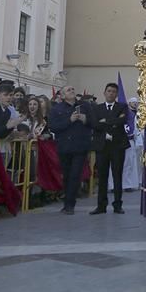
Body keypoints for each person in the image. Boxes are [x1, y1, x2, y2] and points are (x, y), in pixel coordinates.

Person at [48, 86, 92, 214]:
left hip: (80, 146)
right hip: (64, 147)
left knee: (75, 175)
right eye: (68, 90)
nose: (72, 91)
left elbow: (94, 122)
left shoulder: (85, 106)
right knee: (67, 176)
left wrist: (85, 120)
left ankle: (70, 204)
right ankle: (67, 201)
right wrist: (69, 120)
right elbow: (54, 127)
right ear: (61, 96)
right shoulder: (57, 109)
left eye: (73, 89)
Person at [89, 83, 129, 214]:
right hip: (102, 146)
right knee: (102, 176)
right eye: (109, 91)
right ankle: (101, 205)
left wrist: (105, 121)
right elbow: (95, 124)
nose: (111, 93)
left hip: (117, 146)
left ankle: (118, 205)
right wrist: (113, 121)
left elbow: (122, 121)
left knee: (117, 175)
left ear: (117, 94)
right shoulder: (97, 108)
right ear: (104, 93)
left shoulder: (122, 107)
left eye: (113, 92)